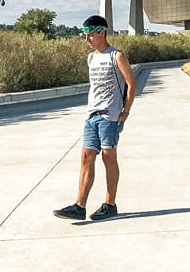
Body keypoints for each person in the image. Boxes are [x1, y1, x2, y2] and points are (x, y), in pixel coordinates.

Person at [53, 14, 137, 221]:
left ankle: (110, 204)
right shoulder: (91, 58)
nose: (87, 40)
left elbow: (132, 83)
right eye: (85, 35)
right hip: (91, 116)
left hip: (110, 117)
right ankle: (79, 206)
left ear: (102, 32)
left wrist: (125, 112)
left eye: (90, 35)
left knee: (109, 158)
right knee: (86, 157)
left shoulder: (116, 56)